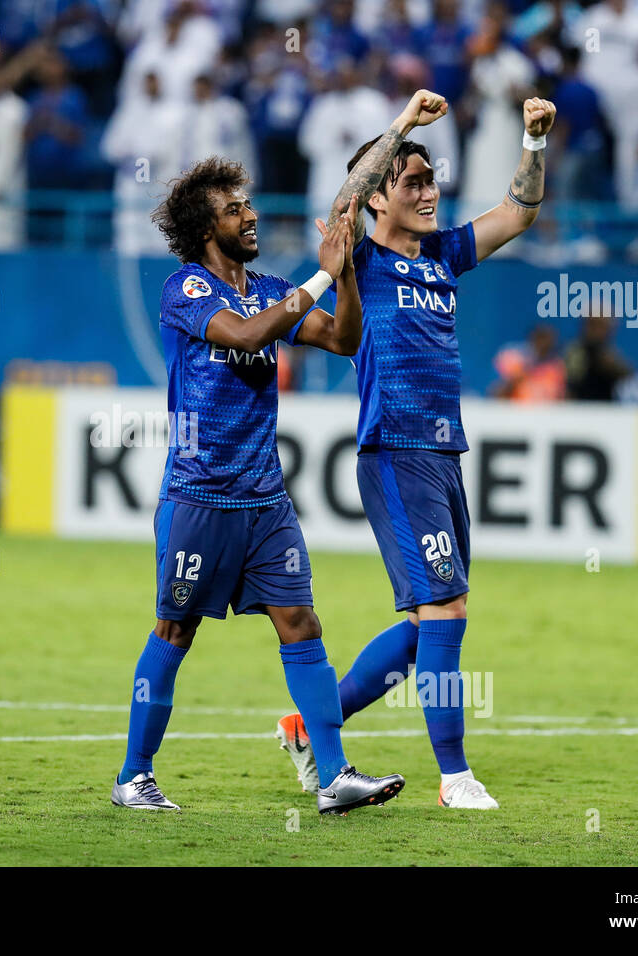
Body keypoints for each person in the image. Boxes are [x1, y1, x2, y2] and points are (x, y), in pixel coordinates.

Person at [277, 89, 557, 810]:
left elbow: (518, 213)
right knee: (446, 614)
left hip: (444, 453)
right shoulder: (359, 259)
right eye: (412, 183)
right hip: (395, 450)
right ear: (379, 199)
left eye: (432, 180)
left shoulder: (442, 255)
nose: (429, 193)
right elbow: (340, 206)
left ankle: (309, 726)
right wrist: (400, 125)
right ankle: (455, 777)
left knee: (431, 615)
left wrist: (533, 141)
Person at [112, 156, 406, 815]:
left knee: (301, 622)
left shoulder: (271, 285)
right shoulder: (185, 290)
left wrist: (348, 275)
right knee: (175, 630)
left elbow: (343, 338)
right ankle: (133, 776)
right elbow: (245, 334)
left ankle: (333, 777)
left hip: (265, 500)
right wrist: (322, 274)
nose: (250, 215)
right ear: (205, 228)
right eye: (233, 209)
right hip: (198, 494)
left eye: (247, 204)